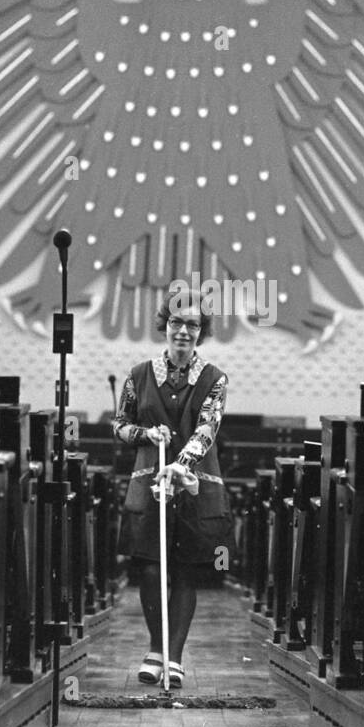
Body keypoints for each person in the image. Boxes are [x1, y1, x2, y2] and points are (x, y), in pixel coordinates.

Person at [113, 290, 231, 689]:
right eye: (177, 323)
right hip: (149, 483)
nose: (184, 331)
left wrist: (181, 466)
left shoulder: (215, 379)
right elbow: (120, 425)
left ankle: (174, 657)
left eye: (193, 325)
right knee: (148, 568)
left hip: (194, 486)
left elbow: (207, 429)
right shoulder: (138, 374)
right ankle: (155, 648)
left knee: (184, 571)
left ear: (201, 332)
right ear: (166, 325)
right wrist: (146, 433)